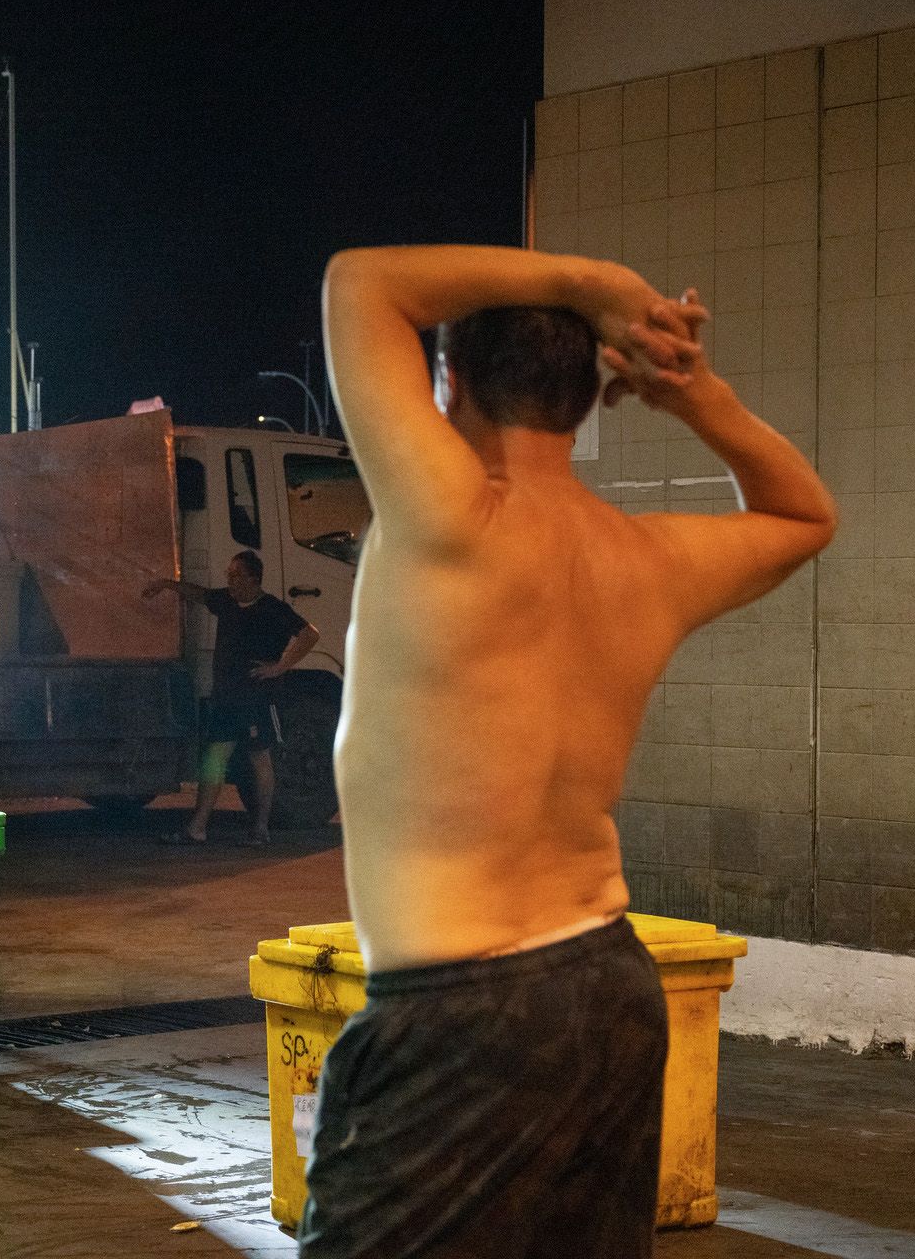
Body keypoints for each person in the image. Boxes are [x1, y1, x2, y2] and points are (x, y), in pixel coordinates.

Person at [303, 246, 835, 1258]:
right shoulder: (646, 557)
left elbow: (360, 285)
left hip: (462, 1011)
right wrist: (696, 396)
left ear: (450, 382)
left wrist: (589, 285)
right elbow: (805, 514)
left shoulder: (447, 518)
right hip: (605, 985)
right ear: (593, 394)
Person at [142, 551, 321, 846]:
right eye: (229, 575)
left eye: (236, 575)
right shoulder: (226, 601)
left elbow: (310, 634)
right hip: (225, 697)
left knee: (259, 758)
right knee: (214, 758)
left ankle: (260, 829)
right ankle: (197, 828)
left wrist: (279, 668)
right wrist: (167, 584)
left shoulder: (273, 609)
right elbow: (200, 595)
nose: (231, 581)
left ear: (254, 578)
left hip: (255, 698)